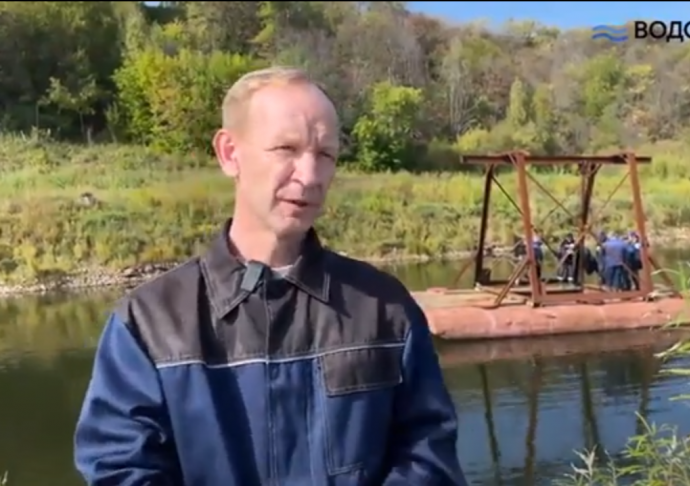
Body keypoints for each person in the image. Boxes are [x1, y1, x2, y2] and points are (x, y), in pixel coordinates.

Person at [73, 67, 467, 486]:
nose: (310, 176)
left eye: (326, 154)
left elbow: (429, 455)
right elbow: (121, 469)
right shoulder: (149, 323)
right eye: (286, 148)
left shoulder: (386, 310)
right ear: (230, 153)